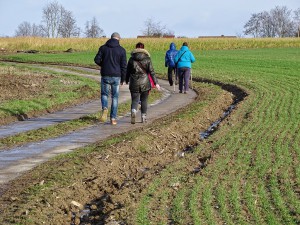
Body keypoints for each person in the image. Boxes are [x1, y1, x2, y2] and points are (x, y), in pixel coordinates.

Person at [94, 32, 127, 125]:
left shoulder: (103, 48)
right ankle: (113, 119)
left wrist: (103, 65)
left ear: (111, 38)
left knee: (104, 94)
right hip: (116, 76)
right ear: (118, 39)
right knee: (115, 97)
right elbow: (124, 66)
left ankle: (105, 108)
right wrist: (123, 79)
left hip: (105, 75)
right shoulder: (122, 50)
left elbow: (96, 60)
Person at [126, 42, 160, 124]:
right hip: (145, 82)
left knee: (134, 100)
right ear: (144, 49)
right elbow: (152, 72)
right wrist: (156, 83)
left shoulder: (131, 59)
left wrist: (125, 80)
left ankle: (133, 111)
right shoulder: (147, 59)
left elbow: (127, 71)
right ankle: (143, 117)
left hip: (134, 82)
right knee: (144, 100)